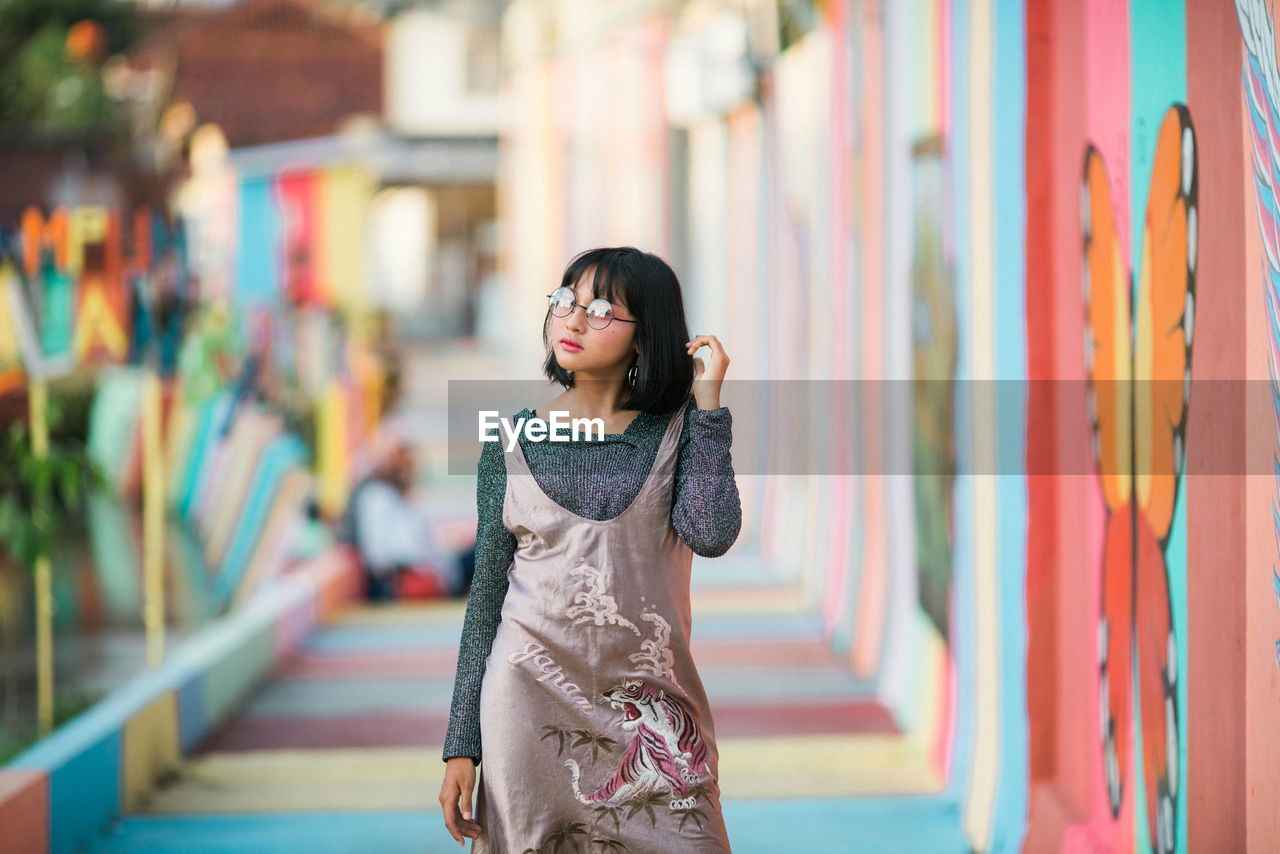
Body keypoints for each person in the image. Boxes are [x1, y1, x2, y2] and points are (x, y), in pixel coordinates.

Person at [438, 247, 740, 851]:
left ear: (645, 335)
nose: (572, 322)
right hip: (528, 708)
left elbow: (711, 533)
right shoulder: (511, 443)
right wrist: (461, 746)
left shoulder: (680, 431)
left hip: (655, 720)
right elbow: (487, 602)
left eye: (601, 310)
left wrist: (707, 410)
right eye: (566, 302)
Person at [345, 433, 472, 601]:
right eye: (406, 463)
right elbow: (385, 554)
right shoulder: (378, 497)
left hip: (433, 570)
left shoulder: (400, 498)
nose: (411, 469)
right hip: (414, 576)